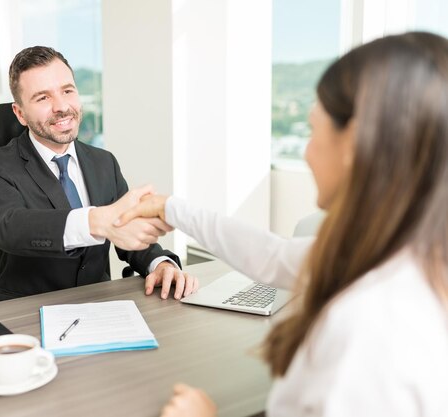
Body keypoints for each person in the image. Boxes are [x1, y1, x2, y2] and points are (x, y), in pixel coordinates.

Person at [117, 32, 448, 416]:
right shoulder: (401, 256)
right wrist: (171, 208)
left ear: (354, 145)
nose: (306, 152)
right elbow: (272, 255)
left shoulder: (370, 325)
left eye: (312, 129)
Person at [0, 46, 198, 302]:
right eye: (42, 98)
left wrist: (160, 264)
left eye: (67, 91)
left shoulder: (103, 162)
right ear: (20, 113)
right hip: (26, 312)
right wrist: (97, 221)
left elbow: (126, 231)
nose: (61, 106)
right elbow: (8, 227)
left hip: (98, 306)